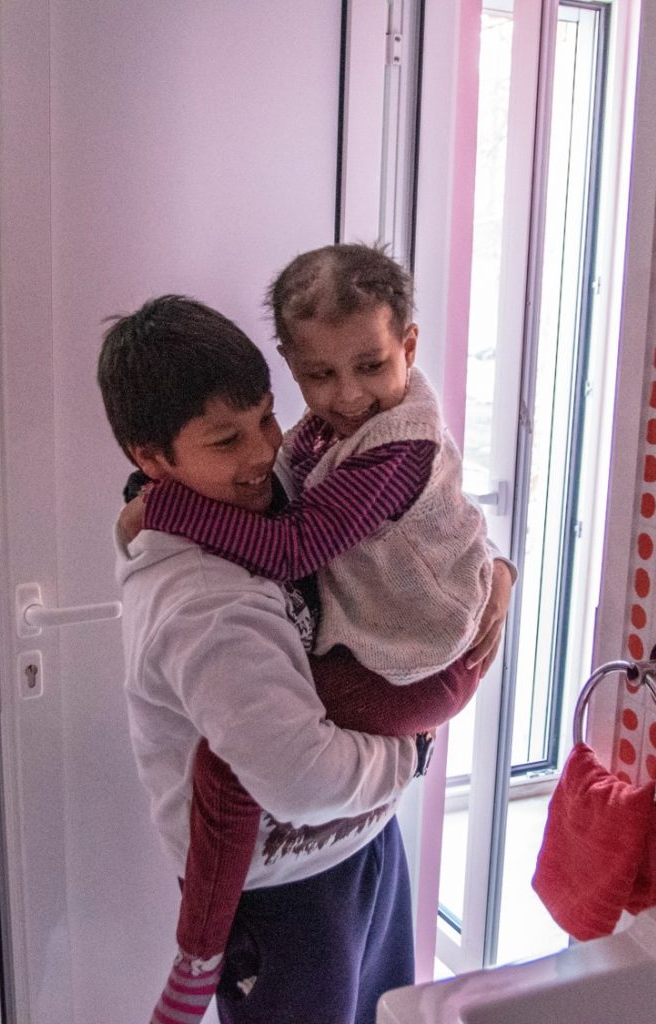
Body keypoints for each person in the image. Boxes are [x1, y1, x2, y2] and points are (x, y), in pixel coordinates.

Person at [100, 293, 511, 1024]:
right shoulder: (203, 605)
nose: (263, 452)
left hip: (364, 845)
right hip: (283, 896)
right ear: (152, 459)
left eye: (265, 417)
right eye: (226, 441)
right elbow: (301, 782)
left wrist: (497, 572)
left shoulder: (272, 487)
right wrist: (412, 751)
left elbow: (417, 531)